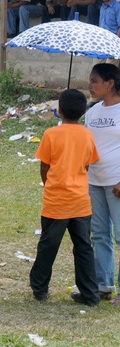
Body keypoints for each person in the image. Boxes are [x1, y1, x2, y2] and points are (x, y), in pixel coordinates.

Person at [30, 89, 99, 306]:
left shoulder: (51, 134)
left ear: (59, 111)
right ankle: (90, 294)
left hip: (56, 202)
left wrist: (50, 183)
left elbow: (45, 165)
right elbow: (87, 163)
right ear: (83, 112)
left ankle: (40, 289)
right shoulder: (87, 134)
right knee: (84, 249)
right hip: (80, 201)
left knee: (48, 247)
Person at [83, 63, 120, 302]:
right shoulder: (93, 112)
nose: (91, 85)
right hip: (94, 181)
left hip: (116, 182)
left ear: (110, 83)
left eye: (95, 81)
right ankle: (103, 283)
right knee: (99, 234)